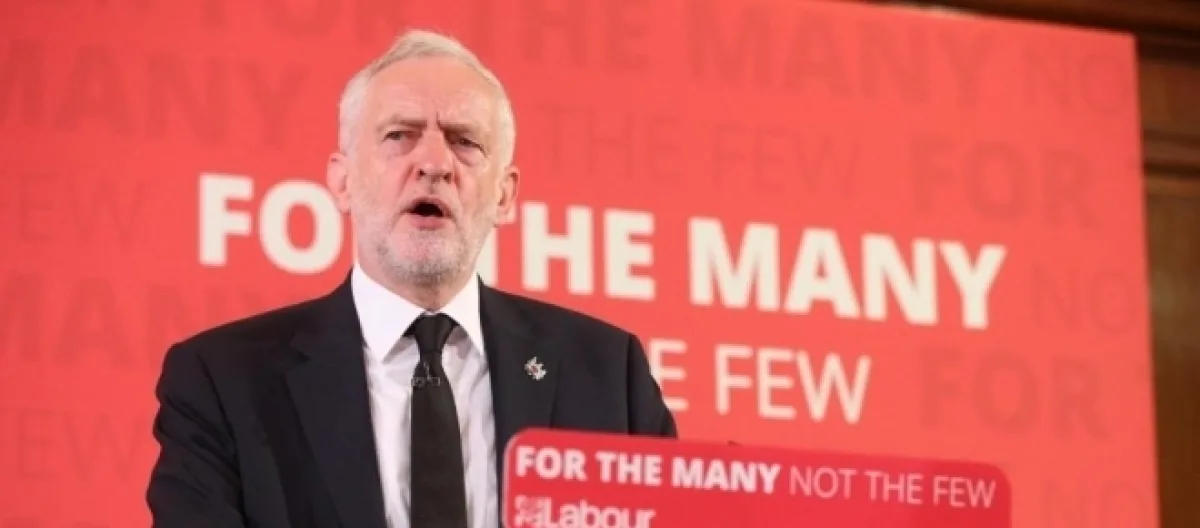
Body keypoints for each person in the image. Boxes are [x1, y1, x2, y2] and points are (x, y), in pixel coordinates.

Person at [145, 28, 676, 528]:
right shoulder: (224, 382)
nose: (434, 162)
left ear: (504, 195)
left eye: (465, 141)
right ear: (343, 181)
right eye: (400, 135)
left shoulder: (609, 377)